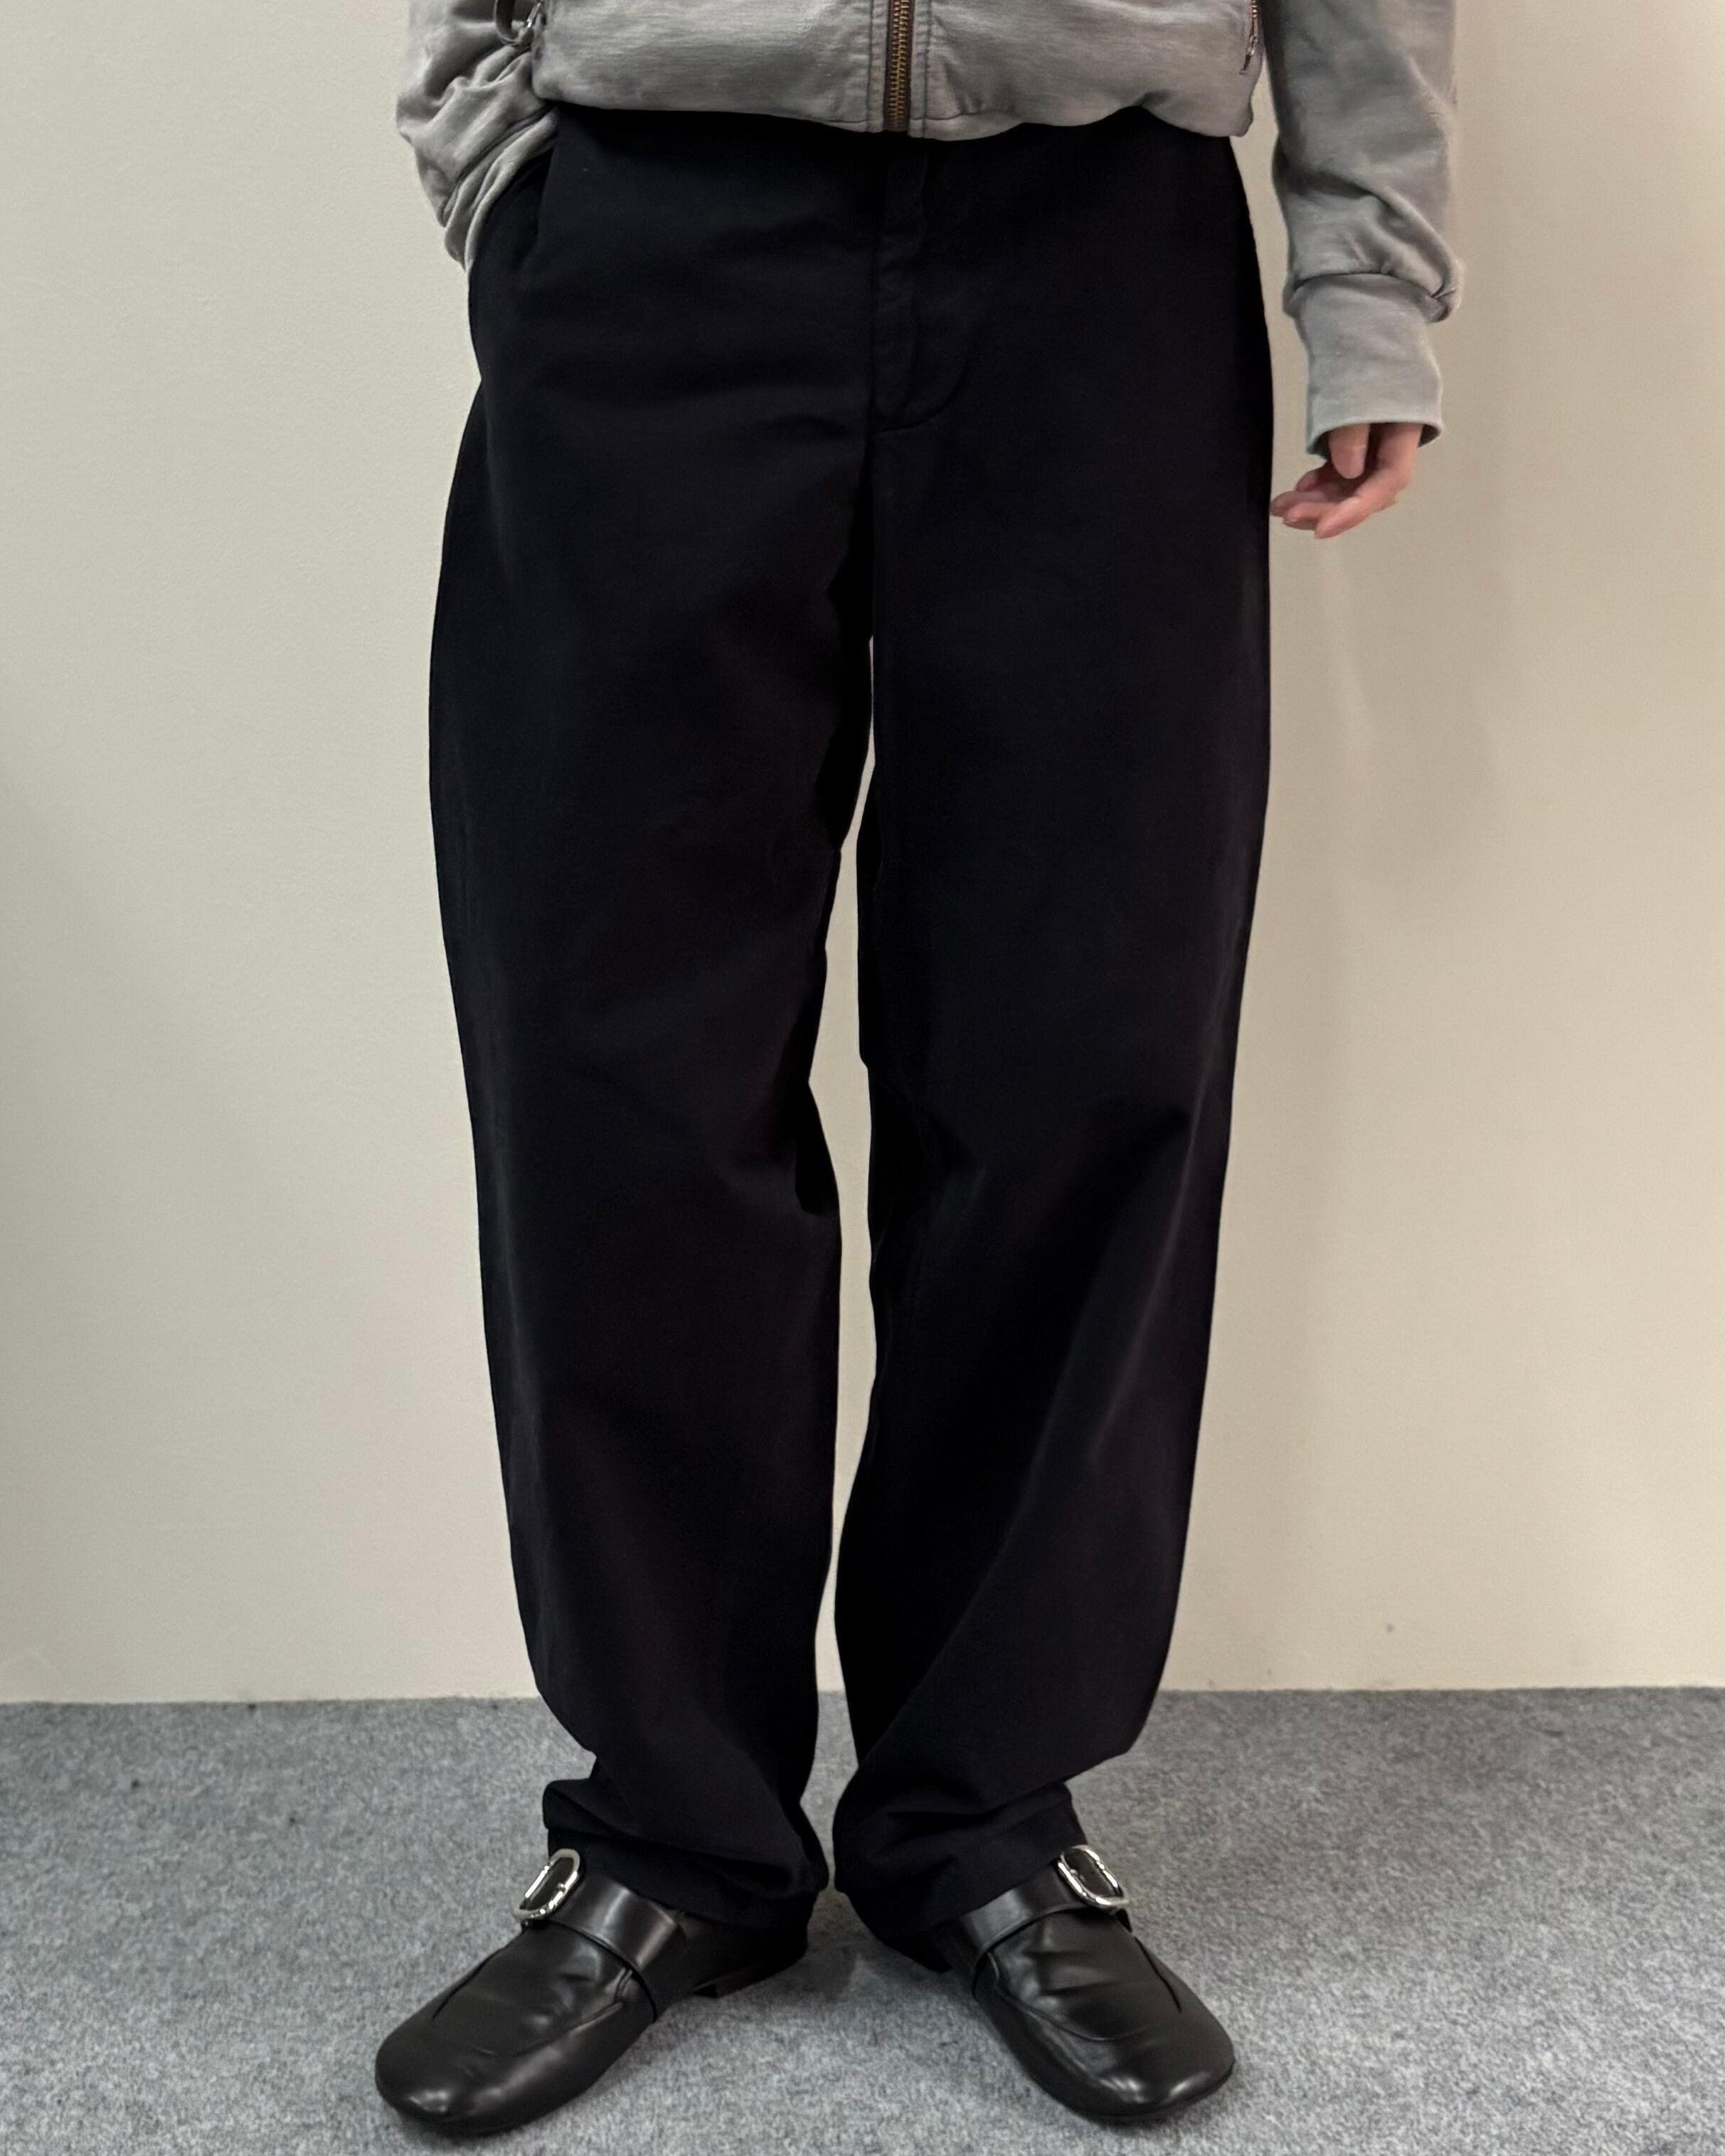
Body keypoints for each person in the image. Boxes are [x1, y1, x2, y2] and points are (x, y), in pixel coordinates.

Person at [374, 0, 1459, 2130]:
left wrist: (1368, 280)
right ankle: (671, 1830)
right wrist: (505, 168)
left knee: (1082, 1060)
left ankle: (982, 1822)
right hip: (656, 227)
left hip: (1101, 247)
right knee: (617, 1069)